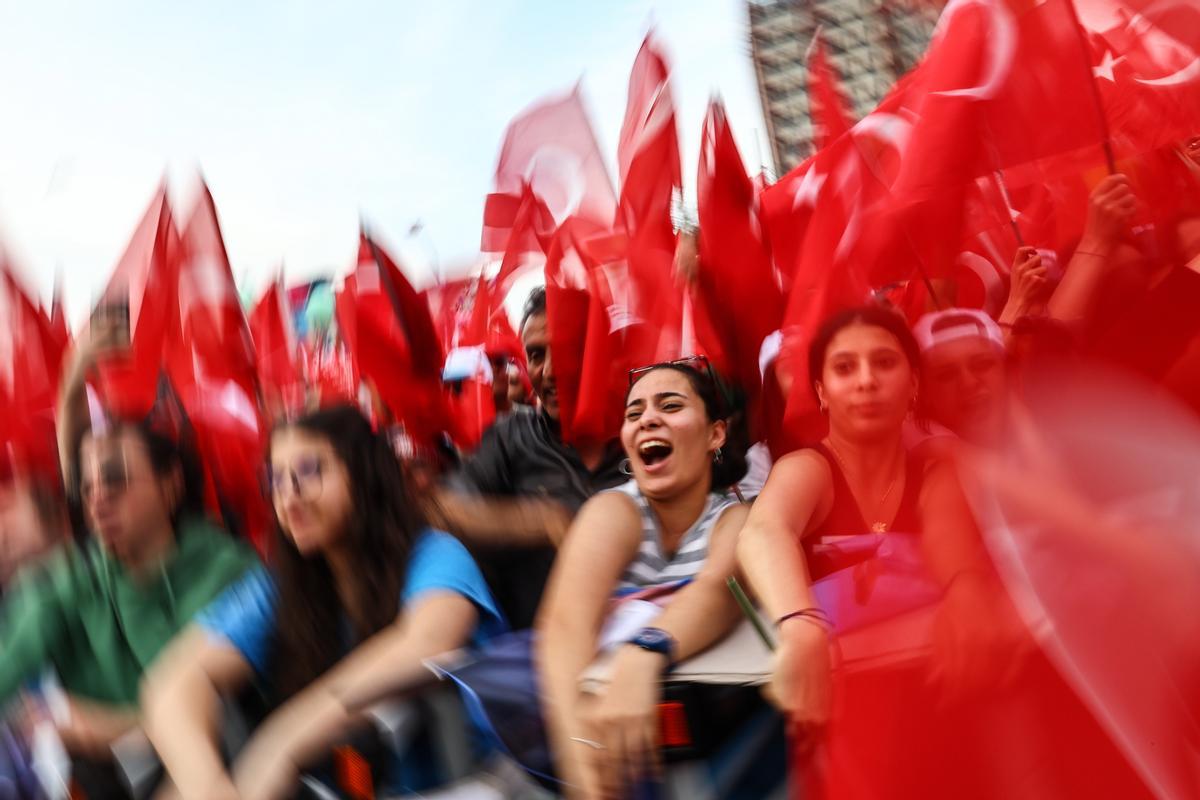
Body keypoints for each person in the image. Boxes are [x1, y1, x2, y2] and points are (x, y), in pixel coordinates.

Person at [736, 305, 1030, 798]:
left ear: (914, 383)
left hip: (940, 722)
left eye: (885, 363)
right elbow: (765, 532)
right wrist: (800, 623)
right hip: (836, 740)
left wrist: (967, 589)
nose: (867, 381)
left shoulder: (936, 465)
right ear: (823, 391)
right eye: (845, 367)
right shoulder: (809, 469)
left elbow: (950, 538)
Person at [142, 405, 506, 800]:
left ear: (364, 476)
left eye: (309, 471)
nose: (289, 494)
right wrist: (212, 790)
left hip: (467, 783)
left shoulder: (436, 556)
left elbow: (428, 643)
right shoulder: (280, 587)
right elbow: (171, 687)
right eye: (276, 479)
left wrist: (282, 743)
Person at [536, 359, 749, 799]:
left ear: (716, 434)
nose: (648, 418)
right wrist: (586, 775)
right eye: (634, 414)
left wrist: (642, 657)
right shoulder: (613, 510)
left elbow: (723, 588)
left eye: (670, 406)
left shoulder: (738, 518)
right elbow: (564, 628)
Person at [0, 414, 259, 763]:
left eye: (115, 480)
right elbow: (9, 659)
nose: (98, 499)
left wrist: (103, 728)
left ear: (171, 485)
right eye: (88, 488)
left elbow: (200, 714)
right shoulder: (76, 575)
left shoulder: (227, 571)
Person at [434, 287, 625, 629]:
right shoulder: (511, 436)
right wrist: (539, 521)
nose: (549, 371)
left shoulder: (644, 437)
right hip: (535, 653)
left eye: (567, 349)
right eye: (536, 355)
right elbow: (443, 507)